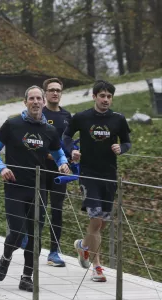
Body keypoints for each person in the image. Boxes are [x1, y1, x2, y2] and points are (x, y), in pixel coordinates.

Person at [0, 85, 70, 292]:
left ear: (43, 102)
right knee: (17, 231)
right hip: (15, 187)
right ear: (25, 102)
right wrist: (1, 167)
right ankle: (6, 257)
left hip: (38, 188)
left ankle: (26, 277)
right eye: (31, 99)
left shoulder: (49, 130)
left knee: (35, 235)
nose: (35, 102)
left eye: (38, 99)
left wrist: (62, 163)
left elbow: (59, 153)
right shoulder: (12, 124)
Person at [63, 80, 131, 282]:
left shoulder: (118, 119)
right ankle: (97, 267)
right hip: (88, 174)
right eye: (102, 96)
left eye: (109, 96)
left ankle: (83, 247)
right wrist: (72, 151)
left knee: (101, 223)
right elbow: (66, 138)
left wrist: (122, 149)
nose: (106, 100)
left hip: (109, 175)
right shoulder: (82, 117)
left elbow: (126, 141)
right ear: (94, 97)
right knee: (95, 219)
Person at [42, 78, 72, 267]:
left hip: (61, 171)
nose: (55, 93)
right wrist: (46, 154)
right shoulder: (40, 113)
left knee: (57, 211)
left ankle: (54, 251)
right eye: (51, 90)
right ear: (45, 93)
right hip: (41, 169)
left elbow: (69, 142)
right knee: (38, 209)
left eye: (58, 90)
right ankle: (30, 241)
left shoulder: (68, 116)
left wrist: (72, 155)